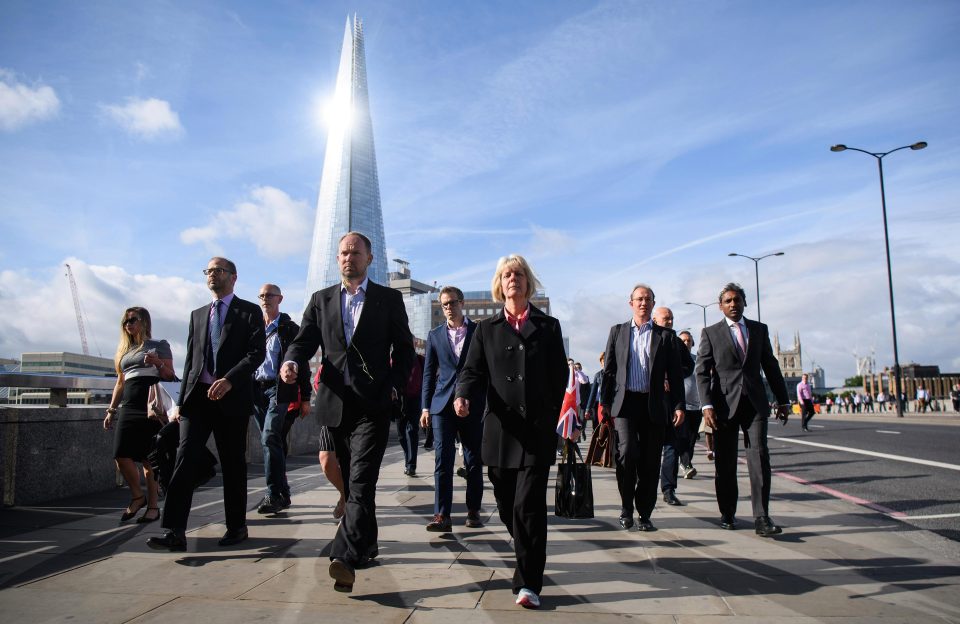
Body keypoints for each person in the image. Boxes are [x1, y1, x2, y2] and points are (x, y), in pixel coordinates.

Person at [280, 231, 415, 593]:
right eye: (343, 252)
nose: (348, 258)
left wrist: (394, 384)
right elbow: (304, 340)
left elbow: (404, 349)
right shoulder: (321, 300)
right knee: (357, 485)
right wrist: (292, 361)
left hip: (373, 405)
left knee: (360, 480)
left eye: (355, 252)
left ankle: (344, 555)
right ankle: (367, 543)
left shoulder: (388, 299)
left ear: (370, 259)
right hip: (335, 404)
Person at [455, 254, 567, 610]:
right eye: (506, 274)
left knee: (528, 506)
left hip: (536, 430)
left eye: (518, 273)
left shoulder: (548, 327)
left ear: (527, 281)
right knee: (506, 504)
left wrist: (553, 416)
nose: (513, 279)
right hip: (501, 430)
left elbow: (558, 377)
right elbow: (472, 371)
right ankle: (526, 545)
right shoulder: (486, 330)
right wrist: (462, 396)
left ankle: (528, 583)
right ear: (499, 284)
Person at [148, 257, 266, 552]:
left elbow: (256, 354)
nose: (212, 275)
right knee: (184, 460)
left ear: (233, 277)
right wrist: (180, 402)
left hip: (232, 398)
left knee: (233, 464)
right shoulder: (198, 314)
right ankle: (175, 532)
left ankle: (237, 527)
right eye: (208, 271)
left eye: (218, 271)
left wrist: (230, 380)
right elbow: (191, 362)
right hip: (198, 399)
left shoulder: (249, 312)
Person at [696, 283, 790, 537]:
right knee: (725, 462)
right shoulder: (710, 333)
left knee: (759, 457)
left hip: (755, 404)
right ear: (721, 306)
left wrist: (783, 400)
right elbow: (702, 372)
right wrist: (707, 405)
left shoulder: (759, 330)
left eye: (737, 300)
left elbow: (771, 366)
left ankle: (762, 517)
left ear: (744, 302)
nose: (733, 305)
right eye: (728, 301)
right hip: (723, 406)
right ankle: (727, 513)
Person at [600, 286, 685, 532]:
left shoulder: (666, 336)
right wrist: (604, 403)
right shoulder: (617, 332)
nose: (643, 303)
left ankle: (644, 513)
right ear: (631, 303)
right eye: (639, 299)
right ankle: (626, 508)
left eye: (648, 299)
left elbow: (676, 375)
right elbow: (609, 371)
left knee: (650, 462)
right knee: (627, 454)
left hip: (654, 404)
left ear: (653, 303)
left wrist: (678, 405)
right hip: (625, 404)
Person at [420, 286, 485, 532]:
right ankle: (442, 515)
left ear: (462, 303)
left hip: (473, 404)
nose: (448, 308)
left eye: (452, 303)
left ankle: (473, 511)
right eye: (444, 304)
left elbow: (485, 370)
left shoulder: (478, 332)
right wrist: (425, 407)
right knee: (442, 461)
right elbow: (428, 374)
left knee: (473, 460)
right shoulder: (435, 335)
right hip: (442, 405)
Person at [103, 307, 175, 524]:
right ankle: (137, 496)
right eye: (125, 321)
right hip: (129, 405)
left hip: (150, 406)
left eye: (132, 320)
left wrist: (157, 363)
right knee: (120, 455)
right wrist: (111, 410)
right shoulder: (124, 351)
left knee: (149, 460)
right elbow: (120, 383)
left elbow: (170, 375)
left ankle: (153, 507)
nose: (128, 324)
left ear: (144, 321)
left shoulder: (159, 345)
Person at [251, 284, 312, 514]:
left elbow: (302, 364)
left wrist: (305, 397)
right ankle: (283, 493)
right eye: (262, 296)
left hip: (279, 390)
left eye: (270, 295)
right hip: (256, 390)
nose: (265, 299)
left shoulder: (289, 328)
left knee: (269, 437)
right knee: (272, 441)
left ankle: (272, 493)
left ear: (280, 299)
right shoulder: (255, 327)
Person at [652, 306, 691, 506]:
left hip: (672, 403)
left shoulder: (676, 342)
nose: (669, 322)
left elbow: (688, 366)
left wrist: (673, 377)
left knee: (671, 448)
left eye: (671, 319)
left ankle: (668, 489)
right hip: (649, 404)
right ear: (654, 319)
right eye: (665, 319)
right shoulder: (646, 340)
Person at [676, 330, 702, 479]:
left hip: (696, 406)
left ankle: (685, 462)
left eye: (688, 341)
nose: (686, 343)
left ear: (692, 343)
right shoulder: (674, 359)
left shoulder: (698, 360)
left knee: (692, 439)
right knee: (682, 437)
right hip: (681, 405)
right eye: (683, 341)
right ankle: (686, 465)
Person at [397, 352, 425, 476]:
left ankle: (411, 465)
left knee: (412, 431)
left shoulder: (420, 360)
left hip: (415, 399)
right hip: (400, 400)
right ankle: (407, 460)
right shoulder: (396, 358)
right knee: (401, 434)